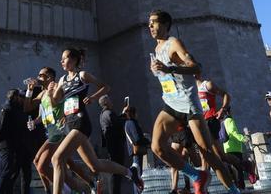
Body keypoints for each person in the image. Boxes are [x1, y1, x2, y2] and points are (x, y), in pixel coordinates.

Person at [147, 10, 242, 194]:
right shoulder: (156, 50)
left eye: (154, 22)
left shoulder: (173, 43)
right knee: (157, 147)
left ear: (166, 24)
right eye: (148, 23)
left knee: (208, 153)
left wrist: (169, 68)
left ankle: (233, 190)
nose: (150, 26)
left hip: (189, 104)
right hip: (171, 103)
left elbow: (196, 67)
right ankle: (197, 176)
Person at [50, 48, 142, 194]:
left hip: (81, 123)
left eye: (65, 58)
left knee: (57, 158)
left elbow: (106, 87)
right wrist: (50, 92)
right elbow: (55, 102)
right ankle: (130, 172)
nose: (61, 61)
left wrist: (93, 97)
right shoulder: (62, 80)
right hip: (69, 123)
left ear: (74, 60)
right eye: (61, 58)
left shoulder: (82, 75)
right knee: (95, 165)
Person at [24, 67, 91, 194]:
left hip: (60, 130)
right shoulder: (42, 93)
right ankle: (85, 187)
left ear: (49, 77)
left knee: (42, 164)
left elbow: (70, 100)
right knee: (66, 165)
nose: (37, 77)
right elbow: (28, 108)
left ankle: (67, 190)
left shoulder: (56, 88)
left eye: (40, 75)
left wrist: (66, 117)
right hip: (51, 131)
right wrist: (29, 91)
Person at [0, 89, 31, 194]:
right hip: (6, 146)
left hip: (15, 147)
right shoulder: (7, 109)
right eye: (20, 96)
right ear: (15, 96)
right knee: (4, 174)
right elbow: (1, 128)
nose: (23, 99)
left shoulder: (18, 109)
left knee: (9, 174)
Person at [100, 95, 128, 194]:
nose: (112, 103)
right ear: (106, 103)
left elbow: (115, 121)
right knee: (116, 172)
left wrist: (122, 114)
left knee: (115, 172)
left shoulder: (104, 114)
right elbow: (117, 123)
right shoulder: (108, 113)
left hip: (112, 146)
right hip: (115, 146)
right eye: (110, 101)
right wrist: (124, 117)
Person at [124, 106, 149, 176]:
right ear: (133, 114)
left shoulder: (127, 123)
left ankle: (138, 185)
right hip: (136, 150)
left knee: (137, 170)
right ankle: (138, 186)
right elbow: (137, 138)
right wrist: (147, 141)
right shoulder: (132, 123)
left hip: (134, 150)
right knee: (138, 171)